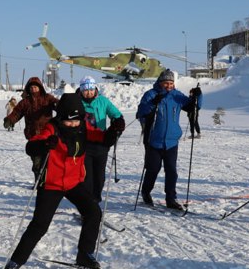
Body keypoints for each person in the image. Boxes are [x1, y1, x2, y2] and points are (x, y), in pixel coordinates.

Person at [1, 93, 105, 269]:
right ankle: (16, 260)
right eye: (68, 121)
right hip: (51, 184)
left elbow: (100, 137)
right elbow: (31, 145)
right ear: (61, 118)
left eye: (76, 120)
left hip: (73, 182)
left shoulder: (83, 128)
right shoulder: (53, 128)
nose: (73, 124)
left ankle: (84, 255)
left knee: (93, 212)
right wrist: (44, 144)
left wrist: (113, 132)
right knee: (40, 225)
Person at [134, 69, 203, 210]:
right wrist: (153, 103)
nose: (169, 86)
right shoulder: (150, 95)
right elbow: (141, 112)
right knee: (153, 169)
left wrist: (198, 96)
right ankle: (146, 192)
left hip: (171, 142)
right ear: (160, 83)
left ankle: (171, 199)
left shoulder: (176, 96)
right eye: (166, 83)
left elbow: (193, 107)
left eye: (171, 83)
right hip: (154, 140)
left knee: (172, 171)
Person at [77, 76, 125, 203]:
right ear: (81, 90)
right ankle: (87, 203)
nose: (89, 92)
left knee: (99, 177)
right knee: (87, 177)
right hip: (84, 144)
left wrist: (118, 122)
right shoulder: (77, 101)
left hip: (101, 144)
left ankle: (96, 199)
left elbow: (116, 114)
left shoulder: (103, 101)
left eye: (91, 89)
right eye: (86, 90)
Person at [3, 77, 59, 181]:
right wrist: (9, 120)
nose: (33, 89)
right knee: (36, 162)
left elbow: (58, 104)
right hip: (33, 136)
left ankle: (48, 181)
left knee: (49, 160)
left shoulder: (47, 98)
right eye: (31, 87)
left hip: (48, 135)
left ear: (40, 87)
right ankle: (39, 181)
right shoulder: (25, 102)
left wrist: (63, 106)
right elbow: (17, 113)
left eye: (35, 87)